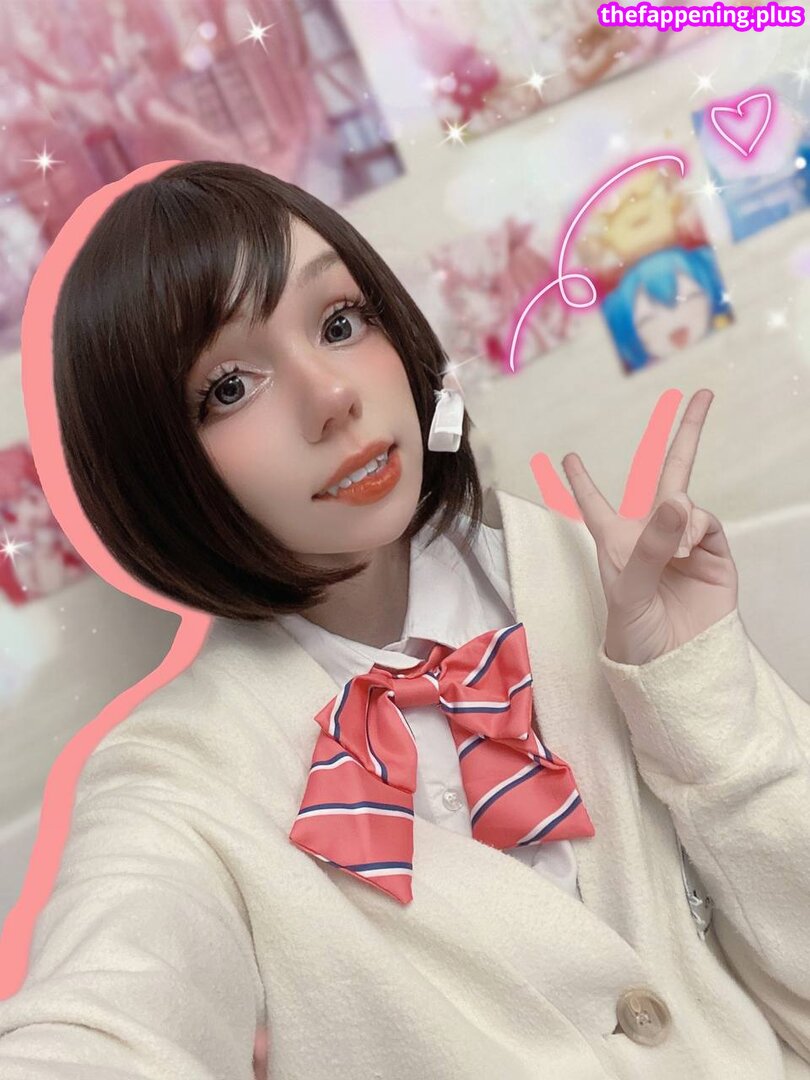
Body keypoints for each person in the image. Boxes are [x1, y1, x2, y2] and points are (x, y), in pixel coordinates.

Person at [0, 159, 808, 1079]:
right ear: (156, 474)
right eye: (228, 387)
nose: (330, 396)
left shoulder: (597, 583)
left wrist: (695, 701)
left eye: (340, 322)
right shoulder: (181, 780)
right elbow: (102, 1021)